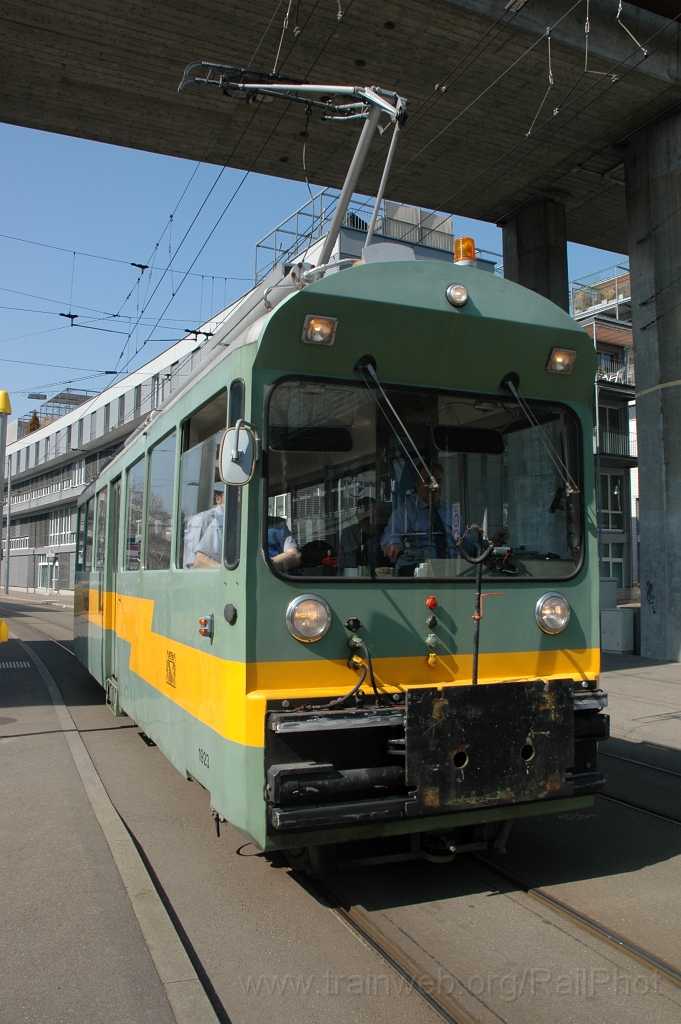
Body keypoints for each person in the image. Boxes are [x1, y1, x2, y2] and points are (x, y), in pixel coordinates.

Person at [381, 463, 509, 575]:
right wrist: (394, 544)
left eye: (439, 481)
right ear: (417, 484)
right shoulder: (406, 511)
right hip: (418, 574)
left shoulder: (451, 512)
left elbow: (467, 546)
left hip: (454, 573)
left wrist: (491, 543)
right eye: (428, 481)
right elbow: (391, 536)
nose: (435, 486)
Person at [184, 486, 224, 568]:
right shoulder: (202, 520)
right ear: (218, 499)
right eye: (235, 495)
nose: (239, 499)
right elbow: (193, 563)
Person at [337, 497, 378, 573]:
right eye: (362, 514)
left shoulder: (384, 533)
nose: (366, 516)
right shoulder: (347, 533)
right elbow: (341, 567)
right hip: (351, 581)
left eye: (370, 512)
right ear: (357, 516)